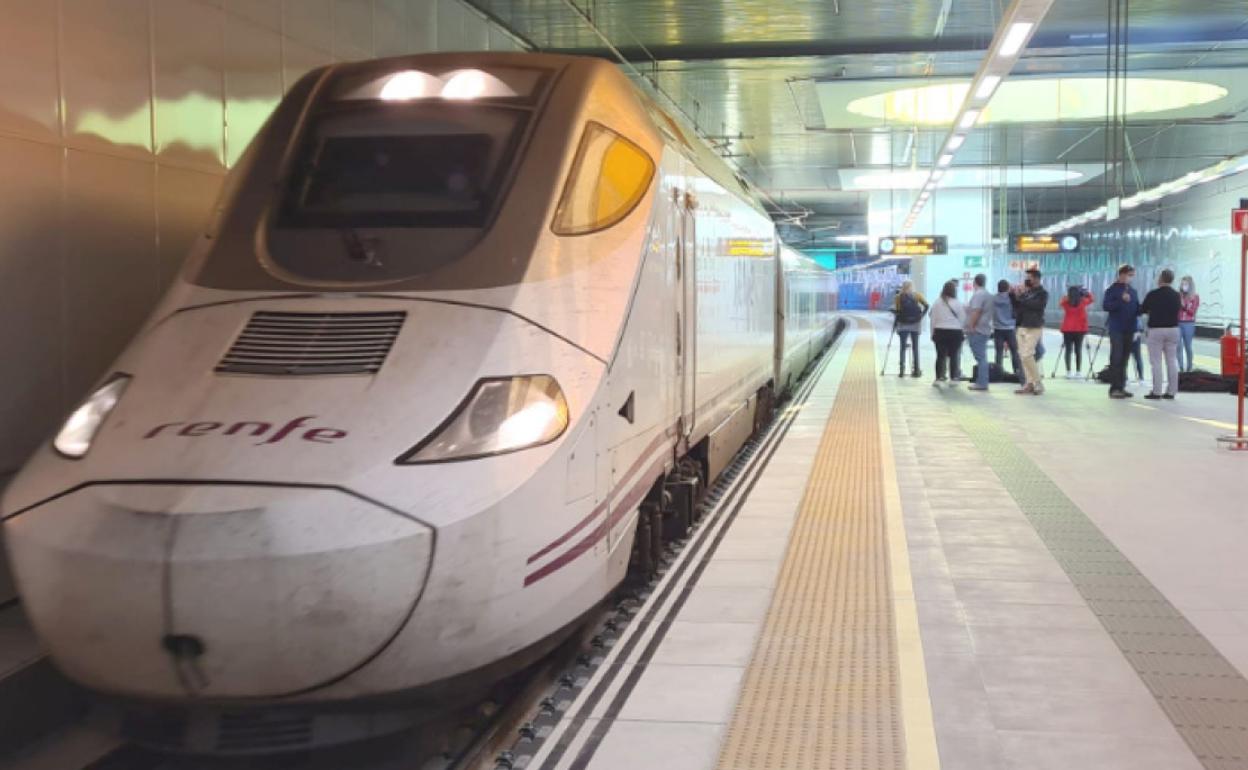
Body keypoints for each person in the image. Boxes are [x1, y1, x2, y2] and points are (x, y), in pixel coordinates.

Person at [1141, 269, 1182, 400]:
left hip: (1156, 331)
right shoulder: (1176, 295)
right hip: (1173, 330)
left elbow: (1142, 309)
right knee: (1172, 360)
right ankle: (1171, 392)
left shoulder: (1153, 294)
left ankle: (1157, 391)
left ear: (1161, 279)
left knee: (1156, 362)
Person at [1102, 264, 1141, 399]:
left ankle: (1122, 386)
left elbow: (1137, 309)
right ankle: (1114, 388)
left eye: (1132, 276)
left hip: (1130, 328)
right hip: (1116, 328)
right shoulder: (1112, 290)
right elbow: (1106, 306)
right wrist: (1120, 300)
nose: (1130, 278)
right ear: (1121, 274)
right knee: (1116, 357)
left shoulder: (1133, 291)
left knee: (1125, 358)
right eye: (1129, 275)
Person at [1010, 268, 1049, 395]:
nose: (1026, 280)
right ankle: (1029, 383)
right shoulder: (1027, 293)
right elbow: (1017, 308)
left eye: (1029, 278)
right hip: (1022, 326)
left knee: (1027, 354)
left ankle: (1038, 383)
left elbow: (1036, 305)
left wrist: (1021, 296)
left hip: (1034, 326)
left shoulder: (1042, 293)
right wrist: (1013, 295)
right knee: (1022, 356)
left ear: (1036, 278)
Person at [929, 280, 966, 388]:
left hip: (940, 331)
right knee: (954, 355)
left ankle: (939, 378)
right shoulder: (958, 303)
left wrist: (932, 333)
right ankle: (954, 377)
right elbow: (963, 319)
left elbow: (933, 320)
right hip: (955, 332)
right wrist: (961, 329)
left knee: (940, 356)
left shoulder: (937, 303)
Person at [893, 281, 929, 378]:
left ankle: (902, 371)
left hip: (903, 324)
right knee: (915, 347)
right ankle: (916, 370)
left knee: (903, 347)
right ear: (912, 286)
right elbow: (927, 305)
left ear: (903, 287)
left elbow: (897, 311)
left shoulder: (898, 297)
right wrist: (921, 316)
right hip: (915, 324)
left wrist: (896, 325)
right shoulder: (917, 295)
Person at [965, 274, 993, 391]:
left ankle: (982, 383)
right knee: (982, 357)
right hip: (985, 328)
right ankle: (982, 381)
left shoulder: (978, 295)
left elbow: (976, 311)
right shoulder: (988, 295)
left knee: (981, 358)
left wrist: (971, 326)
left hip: (977, 330)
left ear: (975, 283)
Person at [1060, 285, 1093, 378]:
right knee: (1078, 350)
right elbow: (1091, 298)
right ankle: (1078, 372)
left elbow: (1062, 301)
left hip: (1067, 329)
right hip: (1080, 329)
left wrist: (1069, 294)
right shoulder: (1083, 302)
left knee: (1068, 350)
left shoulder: (1066, 302)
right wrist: (1085, 292)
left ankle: (1068, 371)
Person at [993, 279, 1024, 378]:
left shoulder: (993, 299)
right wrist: (1014, 291)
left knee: (999, 352)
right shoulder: (1011, 298)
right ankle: (1017, 371)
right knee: (1014, 351)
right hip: (1010, 328)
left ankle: (998, 372)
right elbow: (1020, 305)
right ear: (1007, 288)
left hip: (998, 328)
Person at [1178, 276, 1201, 372]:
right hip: (1178, 323)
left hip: (1189, 324)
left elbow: (1192, 311)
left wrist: (1184, 305)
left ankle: (1189, 366)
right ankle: (1180, 368)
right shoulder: (1178, 296)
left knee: (1188, 346)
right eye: (1182, 284)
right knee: (1178, 346)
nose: (1184, 286)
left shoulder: (1195, 297)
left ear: (1190, 285)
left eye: (1186, 284)